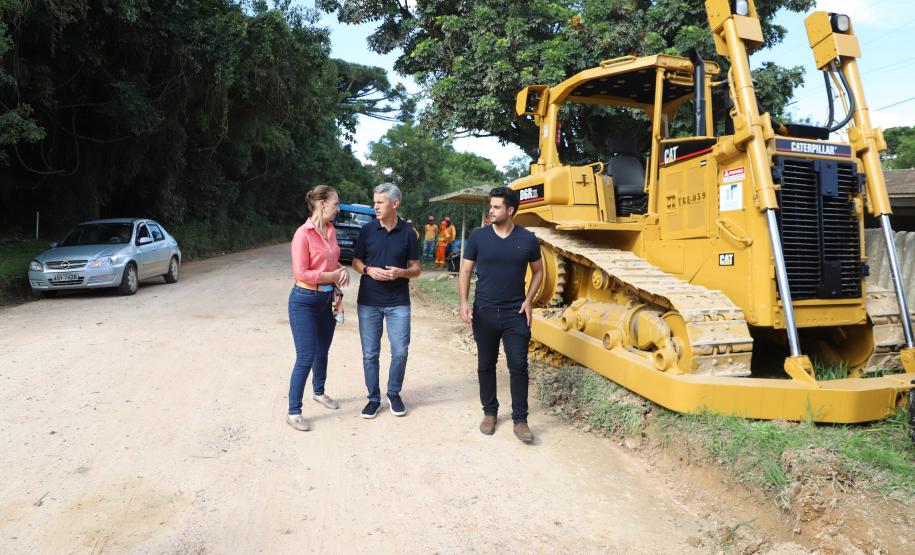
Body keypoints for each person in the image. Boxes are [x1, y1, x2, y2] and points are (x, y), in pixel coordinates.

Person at [459, 187, 544, 443]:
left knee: (518, 365)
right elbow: (465, 271)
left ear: (511, 210)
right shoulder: (478, 237)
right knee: (485, 364)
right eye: (491, 206)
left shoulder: (527, 239)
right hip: (483, 311)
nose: (491, 211)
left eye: (496, 207)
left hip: (514, 313)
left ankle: (520, 420)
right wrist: (463, 302)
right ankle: (490, 412)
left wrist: (529, 300)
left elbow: (539, 272)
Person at [352, 183, 421, 419]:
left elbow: (416, 268)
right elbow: (356, 262)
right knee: (370, 353)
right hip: (369, 302)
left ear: (395, 203)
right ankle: (373, 399)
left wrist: (401, 273)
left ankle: (393, 393)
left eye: (379, 202)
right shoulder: (367, 230)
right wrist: (368, 270)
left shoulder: (408, 233)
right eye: (374, 202)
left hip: (398, 302)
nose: (375, 207)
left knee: (400, 351)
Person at [286, 185, 350, 432]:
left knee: (322, 350)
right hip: (304, 300)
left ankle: (319, 392)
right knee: (306, 356)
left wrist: (340, 272)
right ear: (322, 203)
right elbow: (301, 272)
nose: (338, 208)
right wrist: (331, 274)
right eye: (336, 203)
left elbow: (334, 263)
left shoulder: (331, 231)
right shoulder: (303, 234)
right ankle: (293, 411)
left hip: (327, 300)